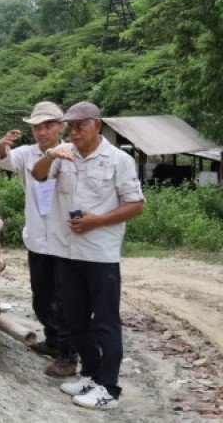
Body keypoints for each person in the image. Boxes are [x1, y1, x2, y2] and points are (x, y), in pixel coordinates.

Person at [32, 101, 144, 410]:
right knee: (73, 318)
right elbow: (38, 175)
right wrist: (49, 154)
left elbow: (135, 204)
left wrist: (97, 220)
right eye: (70, 126)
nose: (74, 132)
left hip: (100, 254)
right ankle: (92, 375)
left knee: (105, 322)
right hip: (67, 252)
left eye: (80, 125)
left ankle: (109, 388)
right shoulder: (64, 154)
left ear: (97, 125)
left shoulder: (119, 160)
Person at [0, 101, 77, 377]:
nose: (42, 132)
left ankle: (68, 355)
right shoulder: (27, 154)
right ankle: (53, 341)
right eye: (37, 127)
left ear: (61, 126)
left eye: (48, 126)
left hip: (66, 238)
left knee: (65, 299)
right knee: (42, 297)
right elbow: (3, 160)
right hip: (38, 237)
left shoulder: (72, 152)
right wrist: (3, 144)